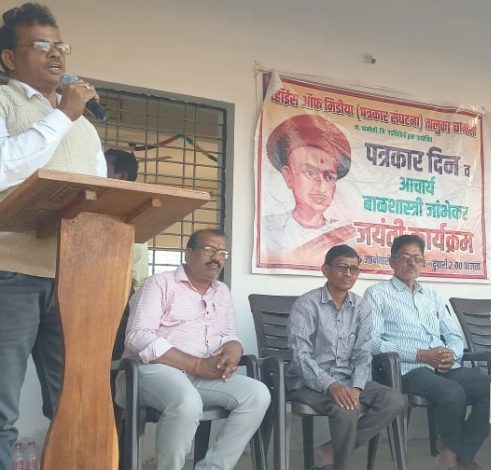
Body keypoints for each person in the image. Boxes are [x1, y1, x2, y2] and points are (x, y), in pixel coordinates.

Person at [0, 3, 106, 467]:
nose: (55, 54)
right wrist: (63, 116)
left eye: (60, 45)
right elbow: (4, 168)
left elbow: (100, 193)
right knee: (1, 408)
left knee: (72, 404)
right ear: (9, 58)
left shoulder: (83, 124)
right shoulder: (4, 103)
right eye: (41, 45)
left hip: (73, 279)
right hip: (11, 273)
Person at [119, 229, 271, 469]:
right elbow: (138, 337)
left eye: (222, 252)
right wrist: (197, 365)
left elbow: (229, 335)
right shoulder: (160, 283)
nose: (216, 257)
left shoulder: (222, 291)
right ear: (188, 253)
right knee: (187, 402)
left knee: (257, 394)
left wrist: (233, 349)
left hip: (200, 376)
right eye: (209, 250)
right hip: (150, 371)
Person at [365, 235, 489, 470]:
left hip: (443, 365)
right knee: (452, 393)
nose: (412, 263)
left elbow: (454, 335)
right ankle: (451, 459)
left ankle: (461, 453)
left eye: (417, 258)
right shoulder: (377, 294)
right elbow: (372, 342)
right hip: (408, 368)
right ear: (391, 262)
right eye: (405, 257)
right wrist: (421, 354)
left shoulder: (432, 295)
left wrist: (452, 354)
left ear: (423, 262)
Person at [287, 244, 405, 470]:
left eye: (354, 269)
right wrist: (330, 385)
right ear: (325, 270)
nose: (348, 273)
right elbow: (300, 355)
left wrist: (357, 387)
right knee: (346, 409)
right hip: (308, 382)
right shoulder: (307, 304)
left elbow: (363, 352)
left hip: (349, 379)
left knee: (393, 400)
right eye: (342, 267)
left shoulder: (362, 307)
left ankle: (332, 450)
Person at [261, 114, 355, 255]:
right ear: (288, 176)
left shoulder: (346, 236)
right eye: (310, 173)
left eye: (329, 177)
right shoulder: (268, 230)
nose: (321, 187)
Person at [104, 148, 148, 291]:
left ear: (122, 176)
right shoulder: (86, 203)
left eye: (104, 166)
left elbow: (138, 278)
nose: (97, 169)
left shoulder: (134, 215)